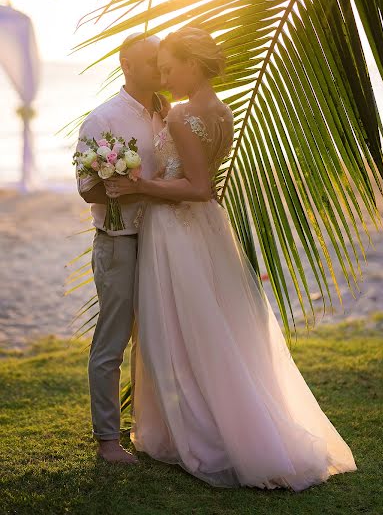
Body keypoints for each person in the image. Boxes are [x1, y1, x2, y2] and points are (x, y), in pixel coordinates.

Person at [103, 26, 358, 490]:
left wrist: (139, 185)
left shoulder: (181, 115)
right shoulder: (222, 111)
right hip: (207, 230)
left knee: (183, 331)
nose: (163, 79)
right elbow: (206, 182)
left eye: (168, 69)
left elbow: (197, 188)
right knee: (219, 328)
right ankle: (236, 425)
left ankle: (202, 433)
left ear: (192, 65)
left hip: (176, 229)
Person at [75, 33, 174, 464]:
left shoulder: (166, 114)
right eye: (149, 60)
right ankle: (107, 442)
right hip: (119, 243)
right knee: (112, 342)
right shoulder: (103, 120)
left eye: (161, 59)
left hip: (165, 240)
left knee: (160, 339)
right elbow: (87, 192)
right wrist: (126, 190)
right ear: (126, 65)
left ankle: (155, 430)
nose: (158, 66)